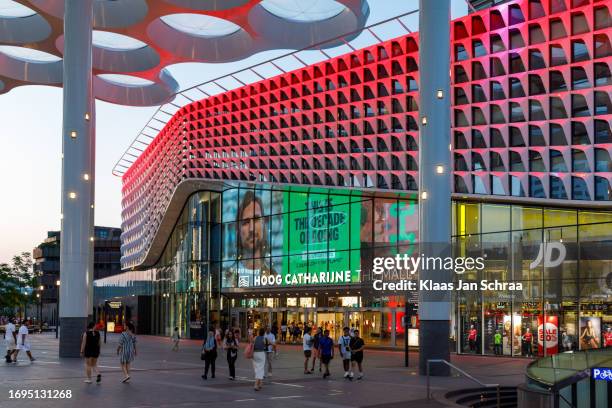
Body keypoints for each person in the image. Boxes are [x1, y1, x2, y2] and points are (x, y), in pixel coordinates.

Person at [223, 191, 277, 288]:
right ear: (238, 230)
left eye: (256, 219)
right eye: (245, 222)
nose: (251, 229)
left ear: (264, 224)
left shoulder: (274, 276)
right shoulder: (227, 278)